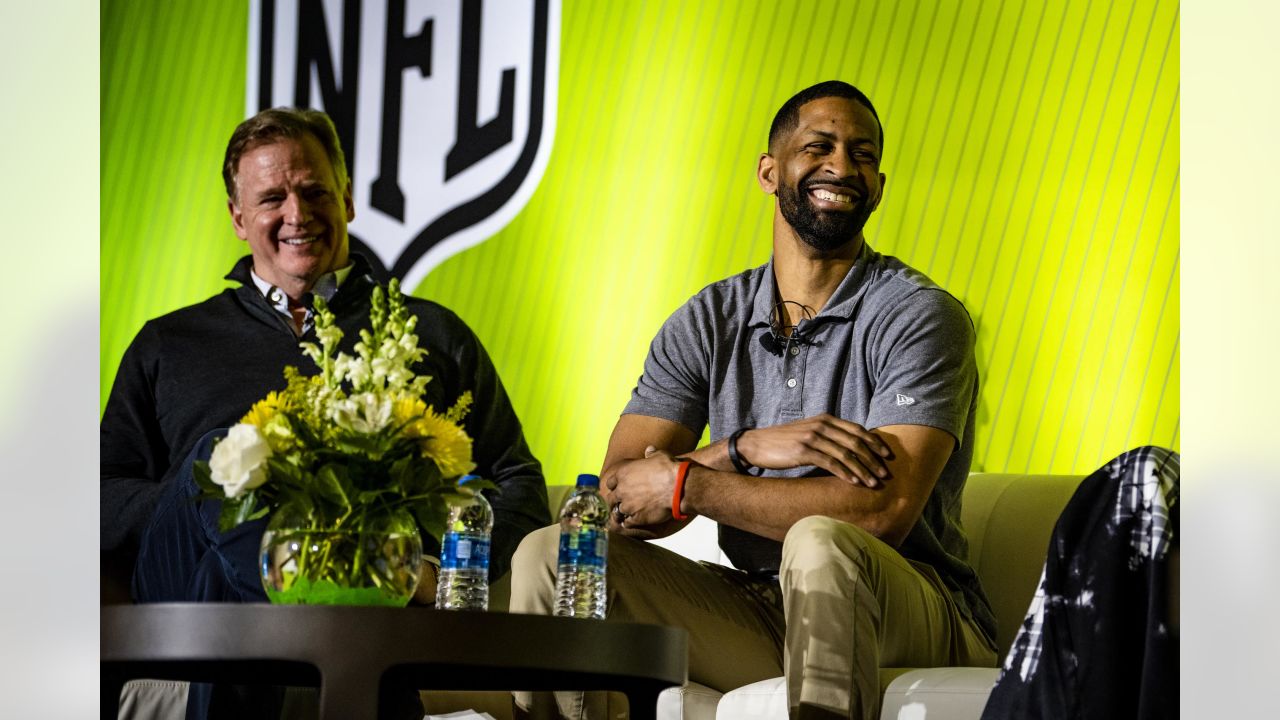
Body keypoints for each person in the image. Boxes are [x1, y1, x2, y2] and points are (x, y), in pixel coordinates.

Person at [510, 81, 997, 720]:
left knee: (821, 542)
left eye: (864, 155)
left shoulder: (917, 314)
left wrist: (692, 486)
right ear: (770, 172)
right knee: (551, 553)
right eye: (818, 146)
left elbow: (882, 513)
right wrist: (739, 449)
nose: (843, 167)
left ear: (879, 186)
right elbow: (615, 499)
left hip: (916, 608)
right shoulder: (708, 319)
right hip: (764, 607)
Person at [100, 107, 549, 606]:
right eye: (273, 198)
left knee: (220, 581)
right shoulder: (168, 342)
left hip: (283, 609)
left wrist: (435, 571)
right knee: (226, 456)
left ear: (348, 200)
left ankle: (312, 624)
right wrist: (223, 500)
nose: (298, 214)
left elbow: (518, 483)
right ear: (237, 217)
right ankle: (329, 600)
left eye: (315, 192)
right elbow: (99, 497)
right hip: (182, 569)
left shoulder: (429, 332)